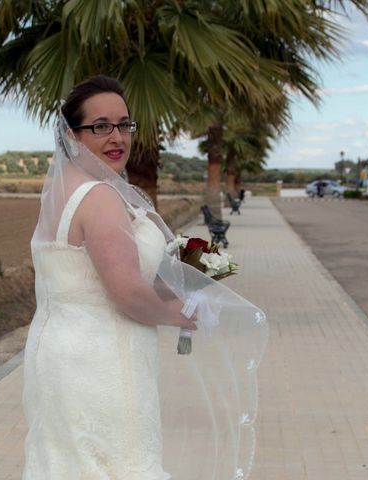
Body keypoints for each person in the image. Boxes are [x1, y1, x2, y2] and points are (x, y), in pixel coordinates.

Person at [22, 75, 268, 479]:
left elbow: (97, 275)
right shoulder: (99, 197)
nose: (117, 136)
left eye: (124, 124)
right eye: (100, 126)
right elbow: (126, 293)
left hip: (60, 352)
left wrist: (179, 276)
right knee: (120, 463)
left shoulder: (65, 189)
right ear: (72, 134)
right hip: (103, 358)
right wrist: (182, 311)